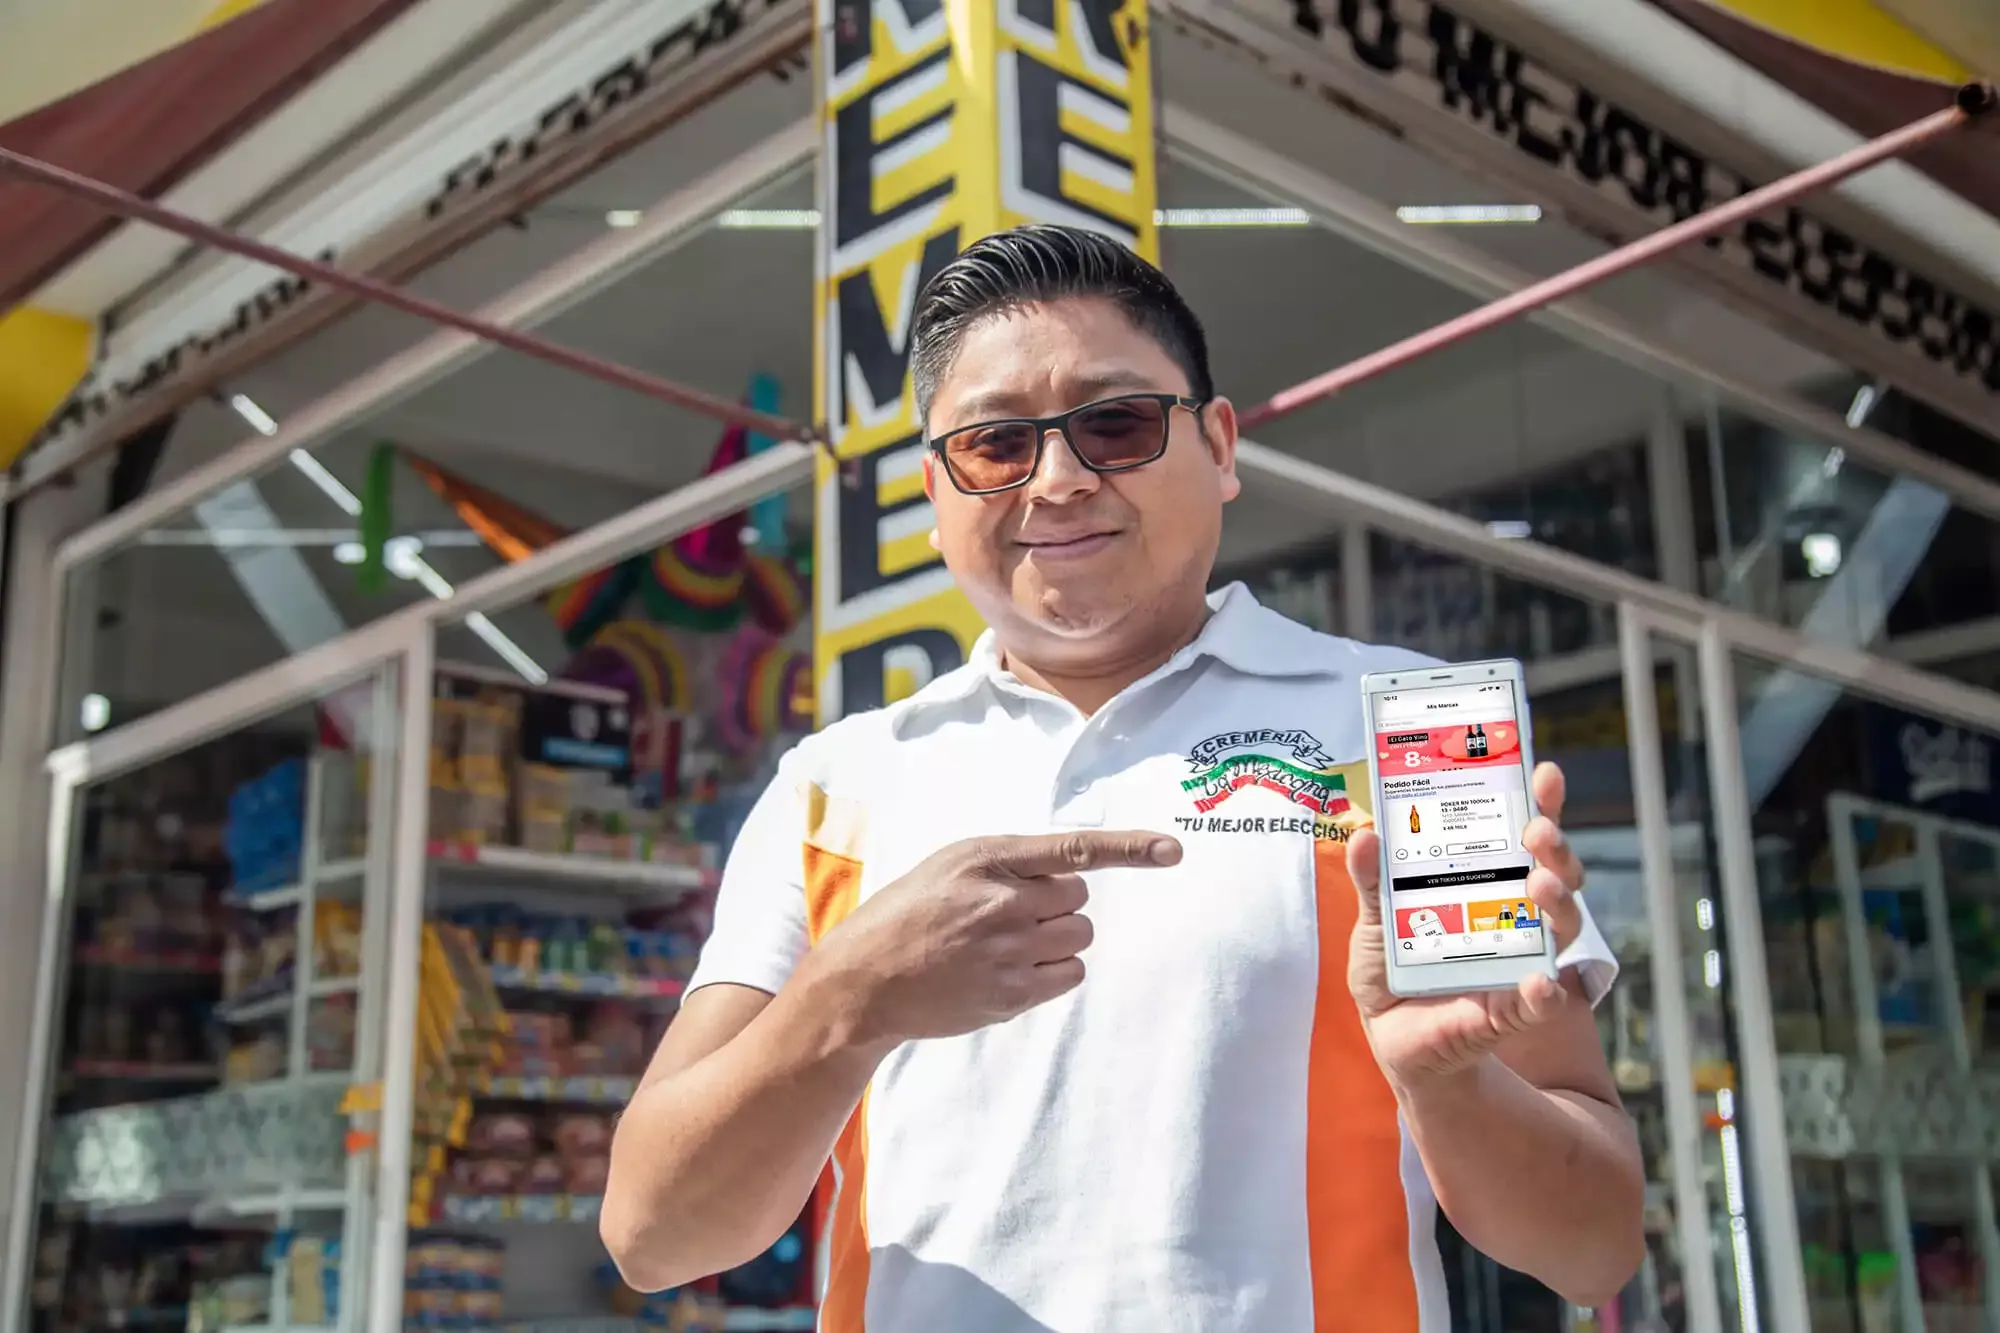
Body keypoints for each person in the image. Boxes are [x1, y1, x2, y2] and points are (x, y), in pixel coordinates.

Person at [602, 224, 1646, 1330]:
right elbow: (653, 1235)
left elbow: (1591, 1249)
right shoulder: (837, 784)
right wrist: (847, 1002)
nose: (1057, 480)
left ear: (1220, 445)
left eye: (1115, 424)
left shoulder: (1414, 731)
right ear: (933, 492)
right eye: (995, 444)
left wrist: (1450, 1087)